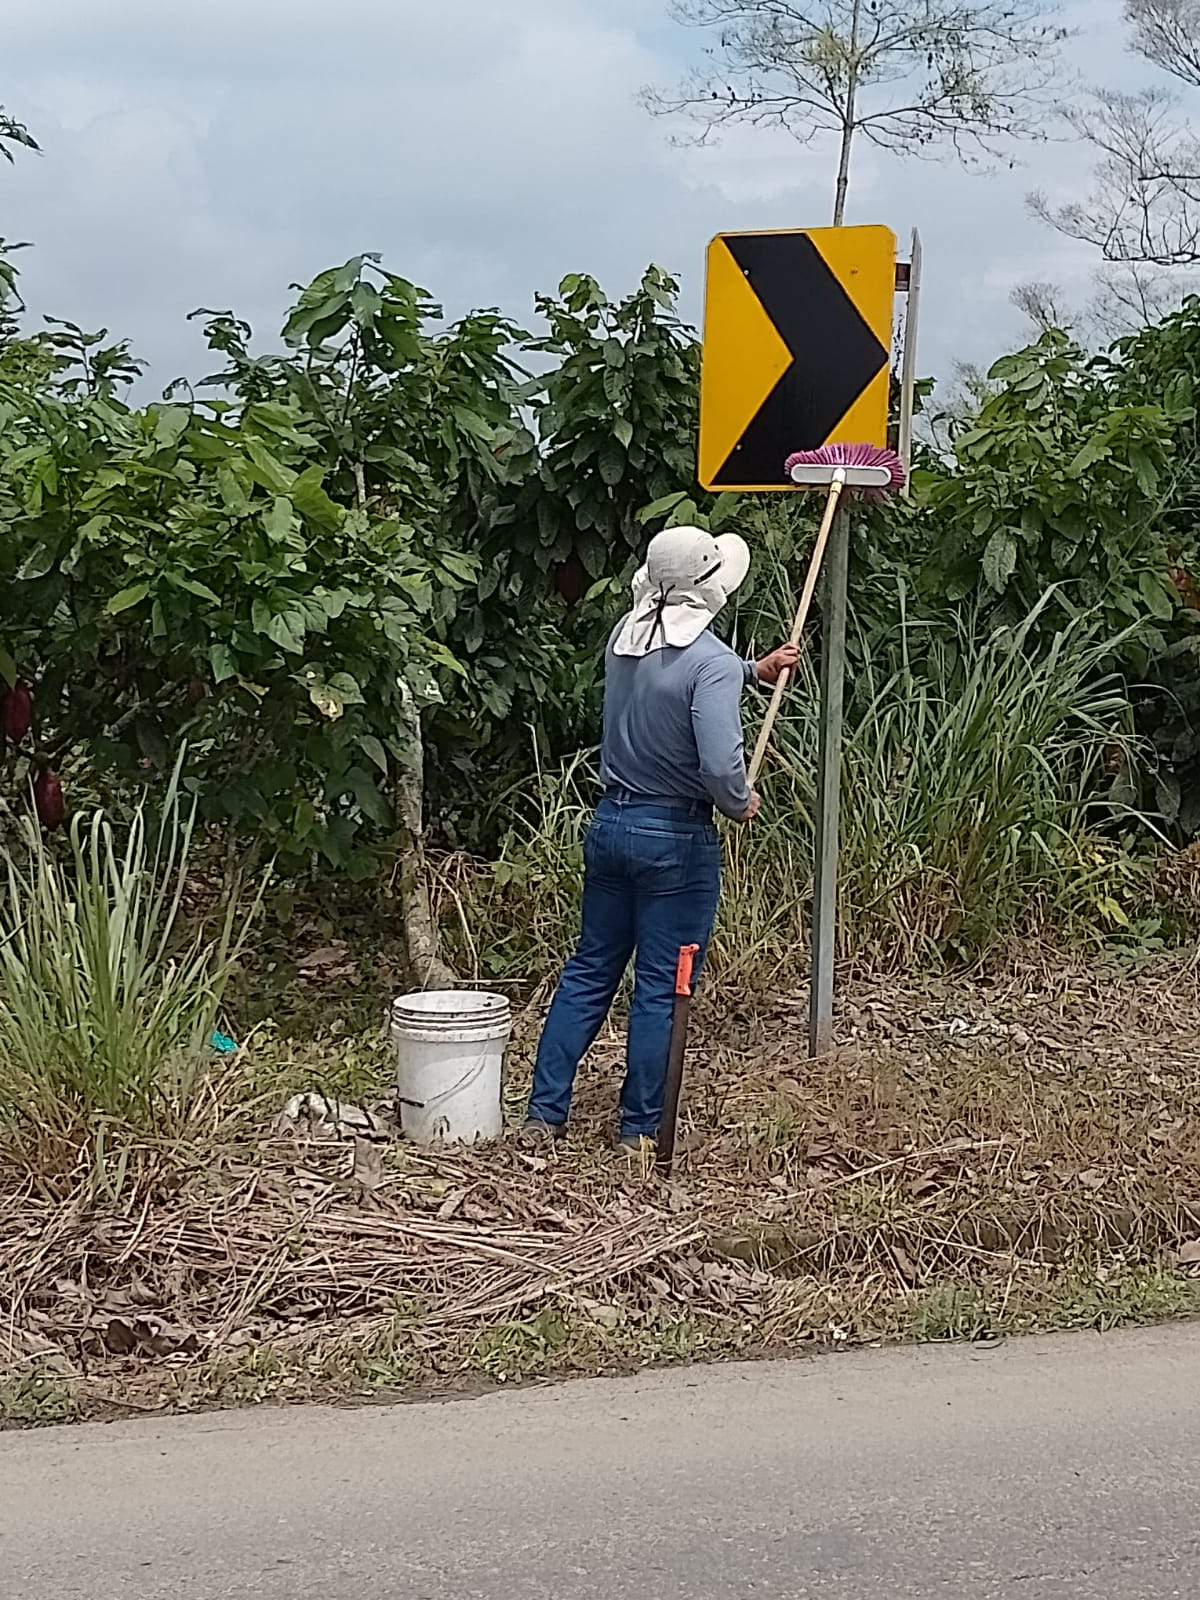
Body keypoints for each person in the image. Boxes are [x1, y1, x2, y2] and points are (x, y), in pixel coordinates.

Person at [521, 524, 799, 1155]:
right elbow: (721, 764)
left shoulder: (625, 640)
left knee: (590, 969)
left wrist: (750, 671)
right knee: (660, 985)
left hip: (611, 824)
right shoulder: (711, 664)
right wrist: (739, 803)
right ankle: (640, 1129)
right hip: (675, 838)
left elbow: (669, 680)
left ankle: (544, 1113)